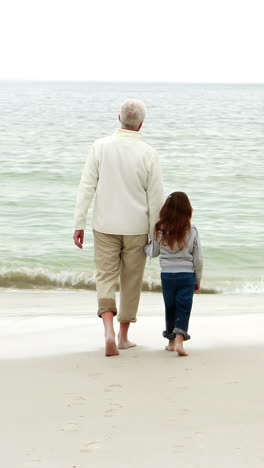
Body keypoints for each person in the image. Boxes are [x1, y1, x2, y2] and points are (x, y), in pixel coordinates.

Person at [73, 99, 163, 357]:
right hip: (136, 227)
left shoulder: (100, 147)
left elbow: (86, 186)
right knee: (131, 281)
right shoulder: (149, 153)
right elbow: (155, 198)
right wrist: (155, 231)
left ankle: (108, 329)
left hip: (105, 224)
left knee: (105, 276)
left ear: (119, 118)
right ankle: (123, 337)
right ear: (141, 123)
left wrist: (79, 223)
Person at [145, 192, 203, 356]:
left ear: (166, 210)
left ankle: (171, 342)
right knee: (183, 308)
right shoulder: (192, 231)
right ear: (187, 210)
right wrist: (197, 279)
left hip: (167, 276)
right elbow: (198, 258)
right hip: (186, 276)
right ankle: (179, 340)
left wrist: (143, 246)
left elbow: (153, 252)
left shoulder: (160, 229)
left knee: (170, 307)